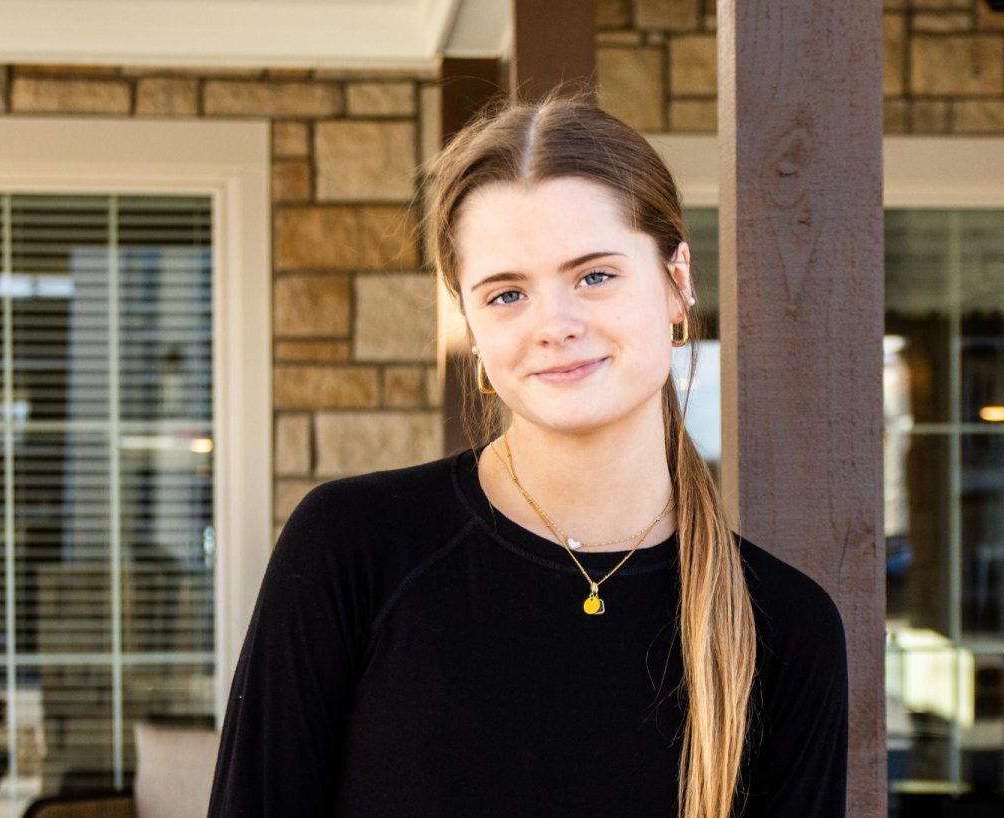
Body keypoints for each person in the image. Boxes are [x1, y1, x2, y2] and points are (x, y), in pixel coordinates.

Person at [207, 88, 848, 817]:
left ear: (677, 284)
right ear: (471, 326)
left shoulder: (785, 628)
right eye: (507, 294)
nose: (556, 324)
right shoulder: (354, 545)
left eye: (595, 276)